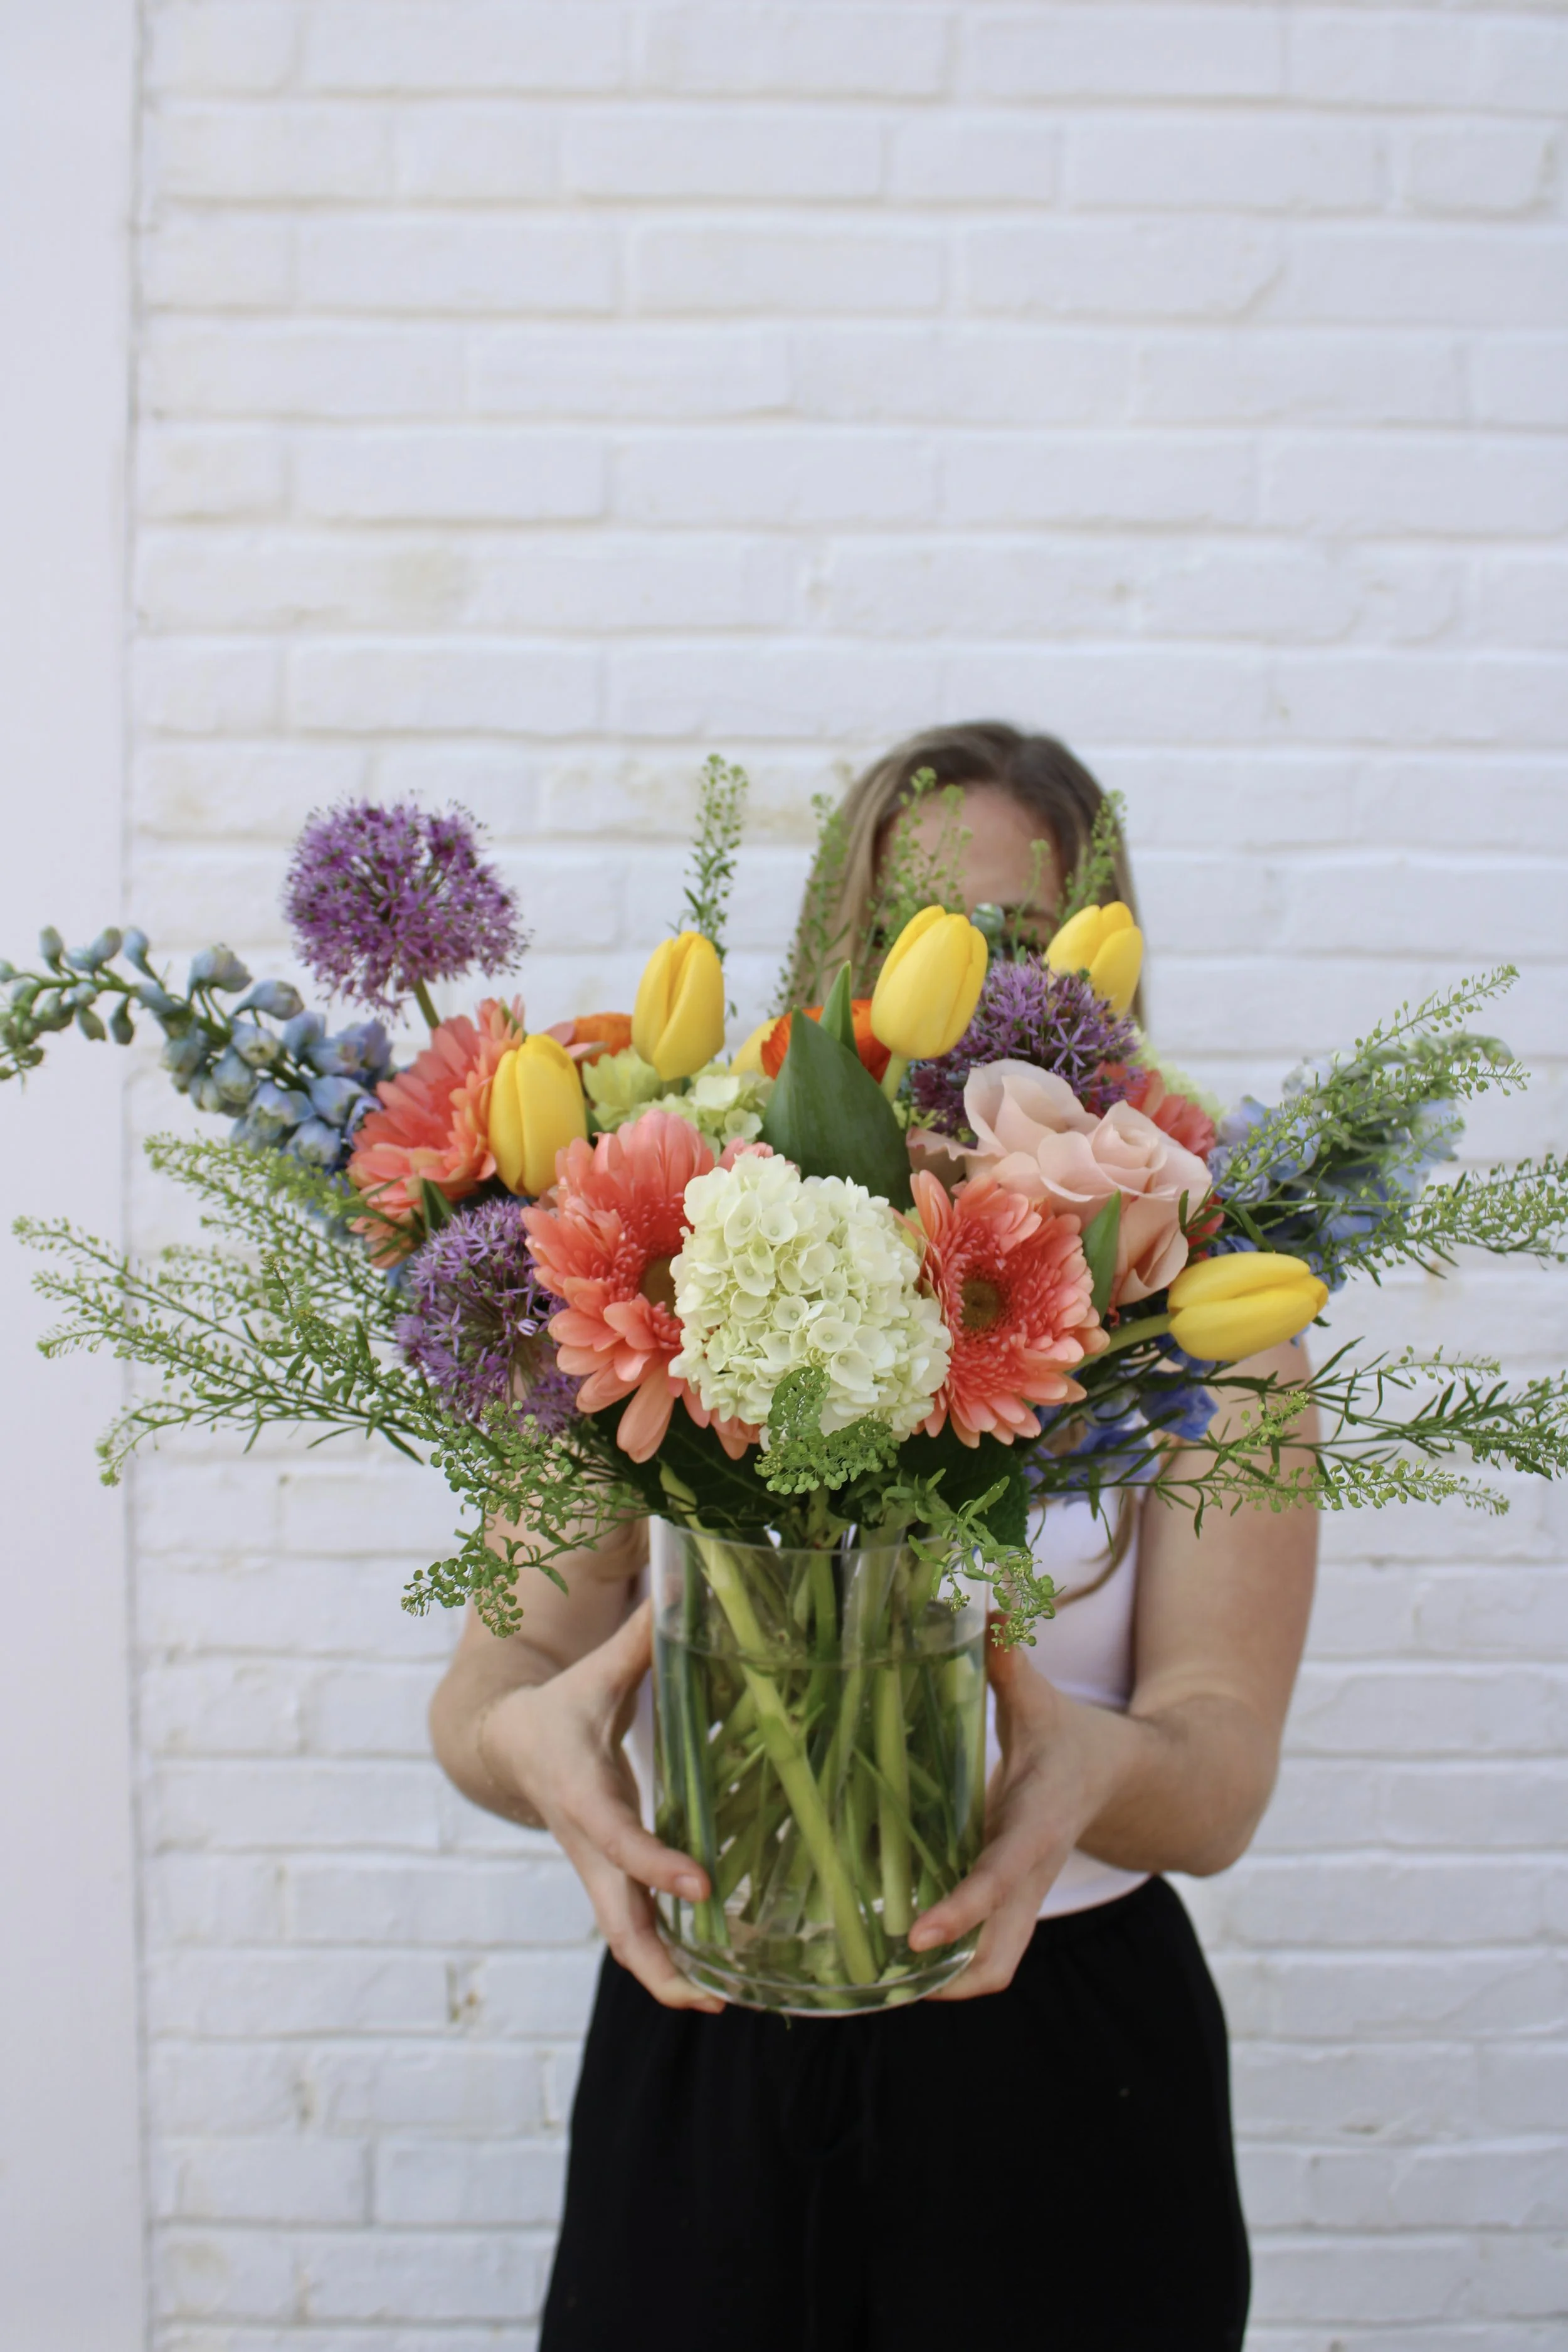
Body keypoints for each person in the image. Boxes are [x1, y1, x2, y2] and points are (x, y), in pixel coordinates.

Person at [428, 723, 1319, 2352]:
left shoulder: (1202, 1305)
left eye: (1032, 943)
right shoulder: (686, 1246)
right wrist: (528, 1740)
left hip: (1069, 2062)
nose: (983, 986)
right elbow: (497, 1678)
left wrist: (1099, 1769)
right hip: (710, 2015)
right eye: (936, 938)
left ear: (1100, 976)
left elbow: (1222, 1773)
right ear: (848, 956)